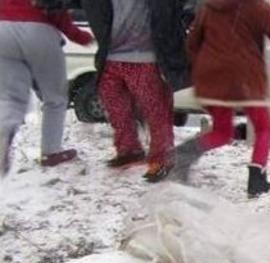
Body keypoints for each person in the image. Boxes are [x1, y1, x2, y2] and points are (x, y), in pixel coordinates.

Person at [173, 0, 270, 196]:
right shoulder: (255, 5)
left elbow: (193, 42)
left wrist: (205, 64)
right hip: (245, 78)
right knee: (264, 129)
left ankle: (184, 153)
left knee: (222, 132)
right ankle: (257, 179)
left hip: (212, 78)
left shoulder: (209, 7)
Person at [79, 0, 190, 182]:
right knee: (117, 109)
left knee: (155, 110)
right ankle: (129, 150)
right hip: (111, 55)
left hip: (146, 57)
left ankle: (163, 158)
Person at [0, 0, 94, 176]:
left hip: (3, 29)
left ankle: (3, 133)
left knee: (10, 98)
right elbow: (56, 10)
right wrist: (83, 38)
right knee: (55, 98)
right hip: (38, 30)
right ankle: (51, 152)